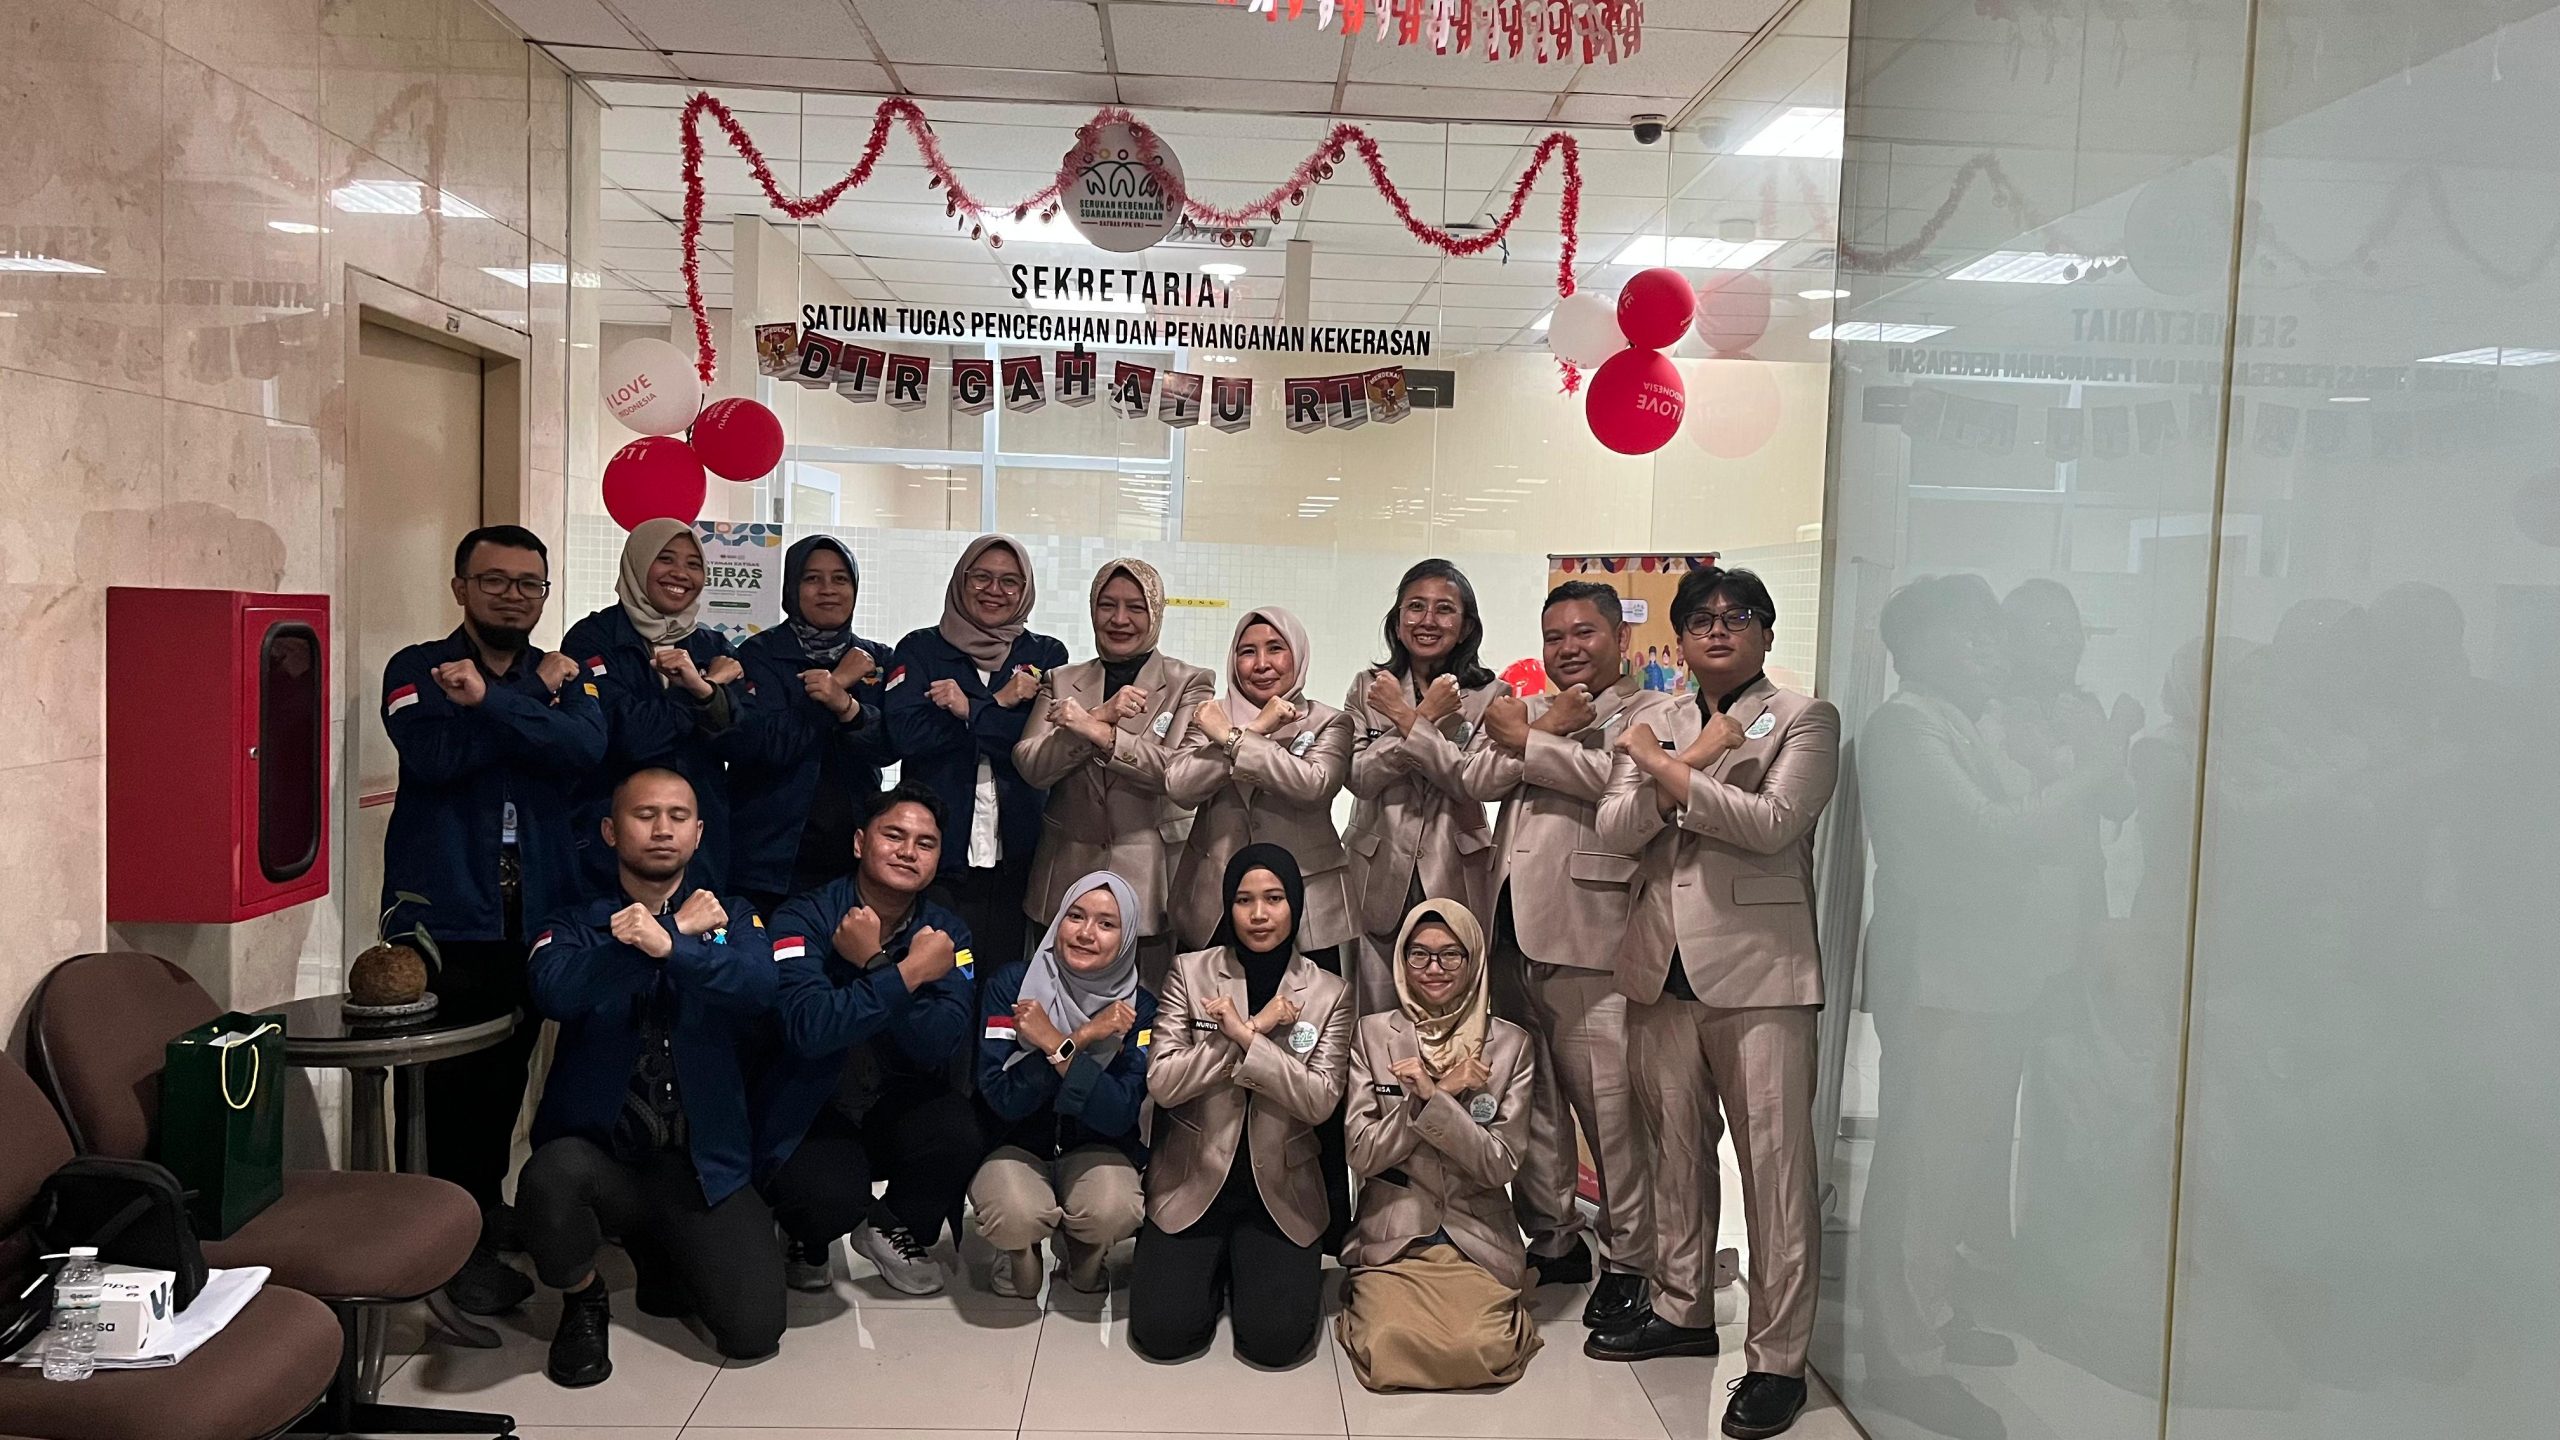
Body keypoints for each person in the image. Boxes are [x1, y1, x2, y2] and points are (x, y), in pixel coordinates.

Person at [1593, 566, 1840, 1440]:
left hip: (1762, 972)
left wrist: (1663, 771)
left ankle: (1777, 1360)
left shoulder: (1803, 718)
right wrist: (1686, 760)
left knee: (1775, 1174)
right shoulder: (1652, 719)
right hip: (1660, 969)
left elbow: (1773, 824)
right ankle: (1682, 1306)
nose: (1719, 630)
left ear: (1766, 632)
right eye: (1701, 619)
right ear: (1683, 638)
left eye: (1738, 617)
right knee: (1676, 1153)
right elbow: (1614, 829)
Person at [379, 523, 605, 1318]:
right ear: (460, 589)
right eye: (495, 580)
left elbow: (584, 749)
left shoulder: (570, 677)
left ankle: (478, 1213)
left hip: (534, 914)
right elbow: (437, 758)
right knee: (443, 1093)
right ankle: (440, 1251)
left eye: (528, 583)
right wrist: (528, 700)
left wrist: (494, 706)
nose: (513, 596)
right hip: (446, 918)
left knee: (506, 1079)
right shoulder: (416, 669)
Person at [516, 768, 780, 1386]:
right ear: (611, 831)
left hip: (701, 1166)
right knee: (549, 1179)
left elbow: (759, 987)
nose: (663, 829)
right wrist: (664, 935)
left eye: (678, 816)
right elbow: (555, 990)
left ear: (698, 833)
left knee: (754, 1331)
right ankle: (583, 1296)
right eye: (645, 815)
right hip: (604, 1163)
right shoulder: (576, 922)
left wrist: (672, 946)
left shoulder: (730, 917)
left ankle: (665, 1255)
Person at [1461, 579, 1666, 1330]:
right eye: (1555, 637)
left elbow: (1623, 783)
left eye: (1584, 633)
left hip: (1592, 938)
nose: (1568, 648)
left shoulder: (1652, 712)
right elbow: (1476, 777)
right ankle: (1553, 1238)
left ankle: (1632, 1260)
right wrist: (1540, 730)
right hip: (1511, 932)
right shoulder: (1538, 709)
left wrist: (1532, 742)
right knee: (1534, 1104)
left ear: (1621, 639)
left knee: (1609, 1113)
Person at [1129, 845, 1352, 1367]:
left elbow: (1319, 1100)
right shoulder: (1190, 972)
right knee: (1164, 1334)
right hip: (1194, 1177)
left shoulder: (1329, 992)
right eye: (1244, 900)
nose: (1258, 914)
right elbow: (1163, 1082)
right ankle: (1220, 1264)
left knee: (1275, 1343)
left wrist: (1247, 1039)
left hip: (1280, 1188)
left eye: (1273, 899)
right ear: (1227, 906)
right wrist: (1249, 1030)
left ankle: (1241, 1265)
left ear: (1295, 905)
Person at [761, 783, 982, 1296]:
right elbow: (809, 1029)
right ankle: (806, 1236)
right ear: (860, 842)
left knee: (959, 1133)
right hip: (815, 1101)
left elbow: (941, 1042)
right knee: (825, 1196)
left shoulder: (946, 935)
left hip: (895, 1096)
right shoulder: (802, 916)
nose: (908, 851)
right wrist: (906, 974)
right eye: (894, 835)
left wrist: (877, 964)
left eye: (925, 843)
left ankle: (890, 1225)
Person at [1336, 897, 1541, 1392]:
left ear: (1474, 960)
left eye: (1451, 955)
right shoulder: (1372, 1035)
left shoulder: (1510, 1045)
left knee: (1478, 1349)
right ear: (1401, 961)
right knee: (1388, 1344)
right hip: (1396, 1234)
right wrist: (1437, 1095)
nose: (1434, 969)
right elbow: (1362, 1153)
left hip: (1476, 1234)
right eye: (1419, 954)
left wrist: (1436, 1103)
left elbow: (1499, 1164)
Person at [1012, 558, 1215, 992]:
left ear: (1155, 612)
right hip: (1067, 876)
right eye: (1107, 605)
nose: (1119, 619)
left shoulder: (1190, 682)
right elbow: (1031, 765)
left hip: (1152, 881)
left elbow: (1177, 772)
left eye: (1135, 607)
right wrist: (1101, 714)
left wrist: (1098, 732)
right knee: (1053, 1006)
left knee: (1148, 1011)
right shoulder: (1061, 680)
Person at [969, 870, 1155, 1298]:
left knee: (1116, 1208)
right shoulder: (1012, 987)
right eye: (1075, 916)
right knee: (1014, 1213)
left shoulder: (1139, 1010)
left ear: (1127, 938)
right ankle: (1017, 1248)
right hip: (1012, 1144)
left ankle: (1084, 1246)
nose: (1086, 933)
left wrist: (1055, 1043)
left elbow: (1119, 1112)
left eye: (1107, 924)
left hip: (1096, 1147)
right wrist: (1084, 1037)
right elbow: (1002, 1098)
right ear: (1057, 922)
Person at [885, 535, 1069, 965]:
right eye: (981, 577)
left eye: (1010, 581)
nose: (994, 590)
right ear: (960, 580)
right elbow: (905, 735)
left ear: (1025, 590)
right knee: (934, 973)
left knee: (1005, 979)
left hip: (1020, 855)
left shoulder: (1045, 654)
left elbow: (1040, 745)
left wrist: (969, 709)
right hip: (936, 852)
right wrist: (1000, 703)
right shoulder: (921, 649)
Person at [1342, 559, 1507, 1016]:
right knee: (1374, 1015)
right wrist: (1425, 718)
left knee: (1453, 1013)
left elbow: (1470, 780)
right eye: (1415, 607)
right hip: (1376, 870)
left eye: (1444, 609)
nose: (1428, 620)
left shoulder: (1493, 696)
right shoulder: (1369, 687)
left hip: (1456, 869)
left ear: (1466, 625)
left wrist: (1406, 718)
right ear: (1397, 621)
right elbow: (1359, 777)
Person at [564, 518, 750, 894]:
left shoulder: (713, 646)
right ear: (638, 562)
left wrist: (703, 693)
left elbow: (741, 740)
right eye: (665, 559)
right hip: (610, 843)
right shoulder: (592, 639)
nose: (680, 573)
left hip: (698, 844)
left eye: (693, 564)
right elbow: (630, 736)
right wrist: (705, 688)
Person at [1163, 607, 1355, 959]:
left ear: (1298, 654)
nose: (1262, 664)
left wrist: (1232, 739)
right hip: (1214, 902)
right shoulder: (1210, 716)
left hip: (1306, 905)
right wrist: (1254, 730)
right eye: (1248, 651)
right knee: (1203, 994)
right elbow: (1180, 786)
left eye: (1275, 649)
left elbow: (1313, 786)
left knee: (1309, 996)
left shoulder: (1329, 721)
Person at [721, 535, 897, 915]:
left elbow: (888, 746)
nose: (828, 590)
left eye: (840, 579)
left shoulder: (877, 660)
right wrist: (836, 685)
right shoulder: (758, 654)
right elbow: (766, 744)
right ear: (792, 588)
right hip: (767, 862)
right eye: (812, 578)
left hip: (852, 859)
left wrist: (846, 706)